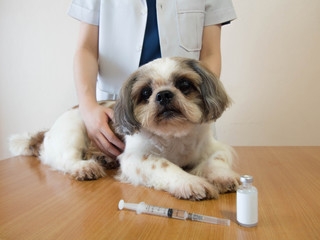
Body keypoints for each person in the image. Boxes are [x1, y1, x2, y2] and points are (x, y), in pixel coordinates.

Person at [68, 0, 236, 159]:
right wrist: (88, 107)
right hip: (122, 119)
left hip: (189, 121)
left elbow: (210, 53)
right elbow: (87, 48)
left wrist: (208, 100)